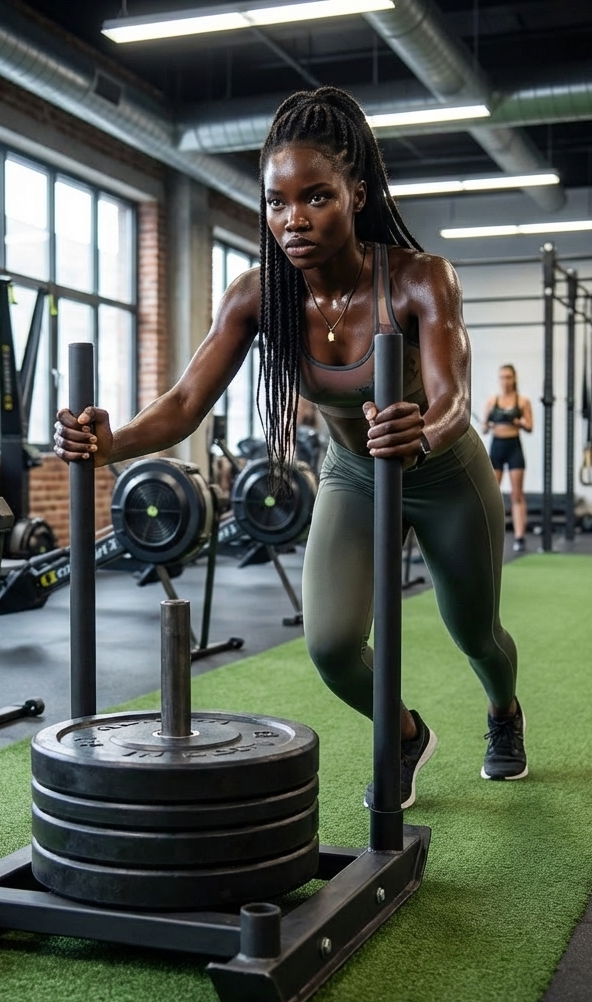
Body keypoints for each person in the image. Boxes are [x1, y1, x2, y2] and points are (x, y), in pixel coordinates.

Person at [54, 86, 527, 807]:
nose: (293, 219)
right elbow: (184, 404)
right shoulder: (258, 296)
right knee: (331, 645)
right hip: (353, 474)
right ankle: (404, 734)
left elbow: (454, 400)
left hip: (443, 473)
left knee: (475, 635)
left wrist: (422, 433)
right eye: (277, 202)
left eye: (316, 197)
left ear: (356, 195)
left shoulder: (419, 279)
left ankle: (503, 711)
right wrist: (109, 441)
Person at [481, 365, 533, 552]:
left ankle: (519, 537)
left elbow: (530, 427)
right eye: (502, 377)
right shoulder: (492, 401)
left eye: (508, 377)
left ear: (514, 378)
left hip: (514, 447)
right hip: (497, 446)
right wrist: (487, 424)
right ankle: (490, 535)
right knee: (492, 494)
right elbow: (484, 428)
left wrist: (520, 423)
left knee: (517, 494)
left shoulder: (522, 401)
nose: (505, 381)